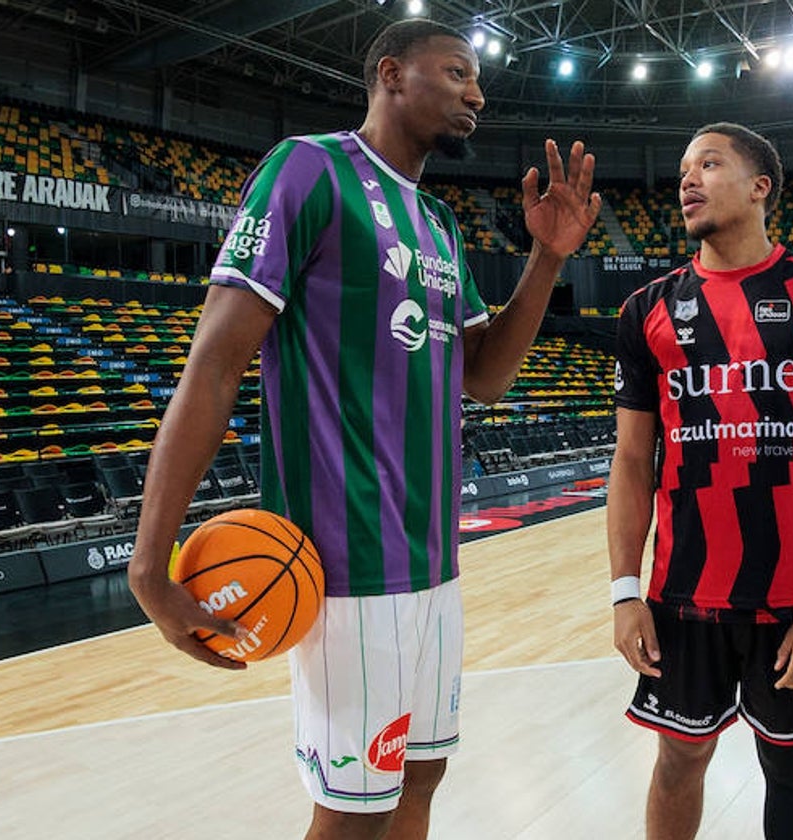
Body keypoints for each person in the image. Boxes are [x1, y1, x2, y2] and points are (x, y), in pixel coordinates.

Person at [127, 19, 601, 840]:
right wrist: (149, 563)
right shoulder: (309, 170)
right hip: (344, 565)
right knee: (352, 815)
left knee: (421, 777)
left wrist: (548, 259)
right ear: (391, 73)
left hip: (434, 560)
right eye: (457, 73)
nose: (477, 95)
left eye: (477, 81)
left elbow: (483, 376)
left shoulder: (441, 226)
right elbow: (214, 362)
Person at [608, 122, 793, 840]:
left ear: (762, 188)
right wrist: (623, 592)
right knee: (678, 759)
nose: (687, 180)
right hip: (682, 593)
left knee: (790, 767)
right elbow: (632, 463)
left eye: (709, 163)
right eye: (681, 169)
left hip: (791, 598)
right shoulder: (647, 311)